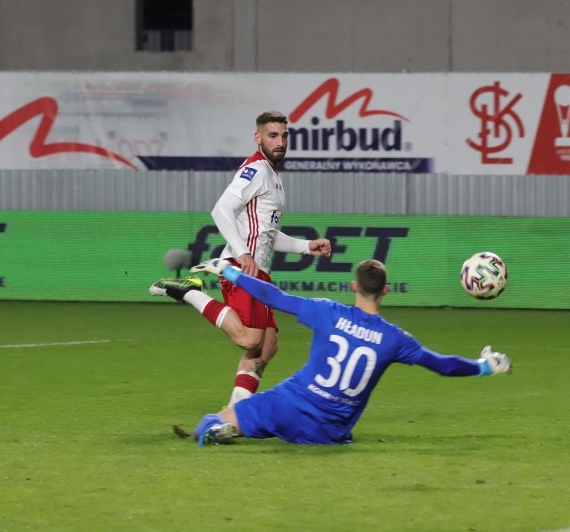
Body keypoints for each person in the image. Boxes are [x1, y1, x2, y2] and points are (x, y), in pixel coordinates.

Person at [186, 258, 513, 446]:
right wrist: (486, 366)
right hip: (329, 431)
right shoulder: (395, 339)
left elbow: (274, 297)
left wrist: (229, 272)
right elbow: (443, 365)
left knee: (209, 422)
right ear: (385, 290)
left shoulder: (327, 311)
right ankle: (234, 428)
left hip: (287, 404)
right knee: (327, 431)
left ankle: (222, 428)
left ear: (354, 286)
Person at [150, 110, 332, 407]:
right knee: (250, 340)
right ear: (258, 137)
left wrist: (306, 246)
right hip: (240, 268)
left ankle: (236, 412)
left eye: (284, 136)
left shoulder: (273, 176)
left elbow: (267, 233)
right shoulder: (256, 170)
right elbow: (220, 210)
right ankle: (190, 292)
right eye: (273, 135)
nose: (280, 141)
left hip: (258, 271)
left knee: (267, 346)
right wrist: (243, 252)